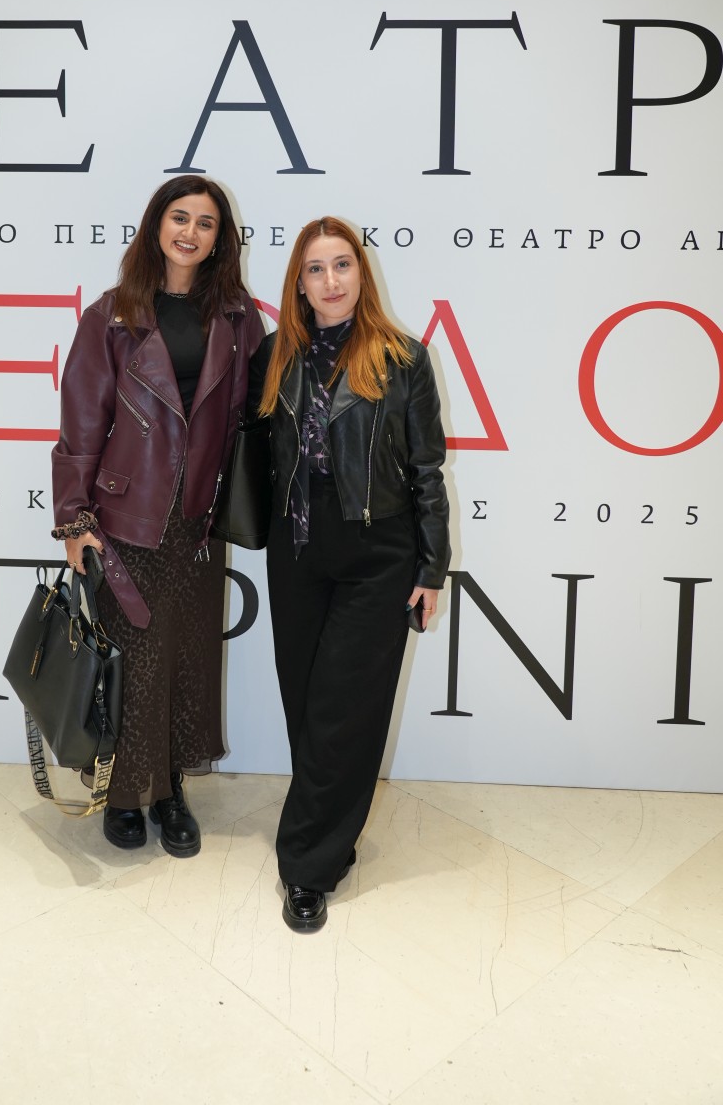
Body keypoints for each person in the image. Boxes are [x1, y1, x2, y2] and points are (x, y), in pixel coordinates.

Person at [51, 175, 263, 855]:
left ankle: (169, 791)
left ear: (220, 239)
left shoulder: (237, 319)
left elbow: (252, 417)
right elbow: (82, 423)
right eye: (179, 217)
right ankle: (122, 793)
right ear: (156, 226)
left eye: (206, 223)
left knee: (184, 660)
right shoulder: (112, 316)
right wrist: (74, 518)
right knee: (133, 663)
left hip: (197, 520)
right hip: (126, 518)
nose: (190, 232)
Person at [252, 216, 450, 931]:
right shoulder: (275, 354)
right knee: (306, 703)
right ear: (298, 283)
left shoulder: (402, 357)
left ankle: (305, 869)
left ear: (361, 274)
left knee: (346, 710)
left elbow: (427, 467)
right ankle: (333, 834)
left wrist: (432, 565)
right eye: (316, 268)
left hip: (378, 552)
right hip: (297, 549)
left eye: (342, 265)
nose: (330, 280)